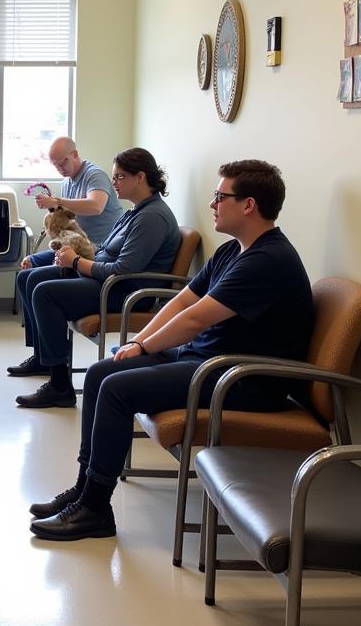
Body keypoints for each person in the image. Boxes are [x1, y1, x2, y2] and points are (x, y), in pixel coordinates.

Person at [29, 159, 314, 542]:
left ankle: (96, 509)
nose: (213, 204)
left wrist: (143, 344)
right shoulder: (234, 251)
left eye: (220, 197)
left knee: (116, 389)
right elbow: (182, 301)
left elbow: (196, 319)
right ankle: (85, 487)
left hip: (242, 379)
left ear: (248, 205)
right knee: (101, 372)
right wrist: (136, 342)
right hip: (205, 360)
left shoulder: (268, 260)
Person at [13, 148, 181, 408]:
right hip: (106, 282)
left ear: (140, 177)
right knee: (29, 278)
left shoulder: (152, 217)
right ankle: (44, 358)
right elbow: (103, 253)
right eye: (114, 177)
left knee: (45, 292)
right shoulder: (134, 211)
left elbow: (124, 269)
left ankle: (59, 386)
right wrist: (70, 259)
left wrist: (78, 262)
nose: (114, 182)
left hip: (124, 292)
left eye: (119, 177)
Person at [19, 136, 123, 272]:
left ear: (74, 155)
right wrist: (53, 207)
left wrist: (57, 201)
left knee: (37, 277)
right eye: (56, 166)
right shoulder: (67, 182)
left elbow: (96, 206)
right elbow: (69, 215)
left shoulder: (95, 176)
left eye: (62, 163)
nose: (60, 169)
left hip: (95, 250)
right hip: (72, 244)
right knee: (28, 265)